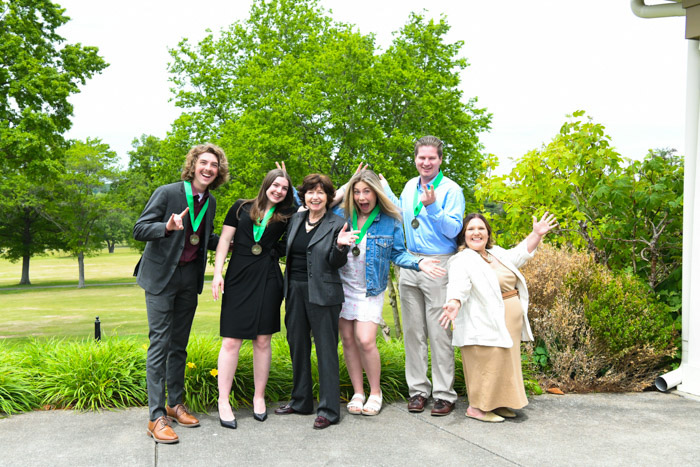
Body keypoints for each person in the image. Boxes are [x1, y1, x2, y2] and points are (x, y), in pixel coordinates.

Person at [133, 143, 229, 444]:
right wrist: (167, 226)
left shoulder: (210, 201)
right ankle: (155, 417)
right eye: (204, 162)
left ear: (218, 172)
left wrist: (237, 240)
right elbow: (139, 229)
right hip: (161, 277)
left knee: (179, 345)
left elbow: (203, 237)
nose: (208, 169)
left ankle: (175, 404)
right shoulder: (168, 192)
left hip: (189, 279)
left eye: (214, 165)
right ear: (193, 165)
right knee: (160, 343)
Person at [332, 170, 446, 416]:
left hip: (370, 288)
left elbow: (397, 253)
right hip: (342, 287)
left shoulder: (389, 219)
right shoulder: (340, 215)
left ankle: (375, 392)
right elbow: (310, 204)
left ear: (376, 193)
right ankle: (358, 392)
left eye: (367, 191)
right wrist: (344, 184)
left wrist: (419, 262)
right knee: (349, 341)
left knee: (365, 340)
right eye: (357, 191)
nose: (362, 197)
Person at [439, 212, 557, 422]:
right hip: (483, 320)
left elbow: (520, 253)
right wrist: (454, 302)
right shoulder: (462, 259)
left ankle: (498, 403)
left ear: (488, 233)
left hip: (508, 320)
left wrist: (536, 234)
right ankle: (477, 408)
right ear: (464, 235)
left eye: (481, 229)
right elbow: (459, 285)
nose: (476, 233)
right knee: (486, 361)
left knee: (503, 362)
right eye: (471, 229)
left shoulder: (496, 254)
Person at [384, 135, 465, 416]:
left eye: (432, 158)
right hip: (410, 262)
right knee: (413, 333)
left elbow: (454, 231)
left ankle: (444, 394)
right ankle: (418, 390)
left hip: (439, 264)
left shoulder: (452, 190)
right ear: (415, 159)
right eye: (422, 158)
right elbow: (403, 214)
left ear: (440, 160)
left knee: (439, 333)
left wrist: (432, 206)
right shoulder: (409, 186)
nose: (426, 162)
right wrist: (385, 192)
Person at [211, 168, 295, 429]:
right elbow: (224, 240)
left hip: (269, 278)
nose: (279, 190)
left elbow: (322, 199)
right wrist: (217, 273)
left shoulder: (287, 215)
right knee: (232, 340)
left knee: (262, 339)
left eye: (284, 188)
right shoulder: (240, 207)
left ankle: (258, 397)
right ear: (266, 184)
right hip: (238, 276)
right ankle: (223, 401)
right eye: (275, 185)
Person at [274, 174, 358, 430]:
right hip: (295, 291)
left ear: (328, 197)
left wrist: (341, 247)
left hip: (323, 294)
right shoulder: (297, 218)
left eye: (321, 192)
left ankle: (329, 409)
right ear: (304, 196)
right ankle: (301, 400)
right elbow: (282, 249)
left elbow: (335, 262)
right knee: (297, 344)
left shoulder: (337, 223)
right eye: (310, 192)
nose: (315, 196)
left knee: (325, 351)